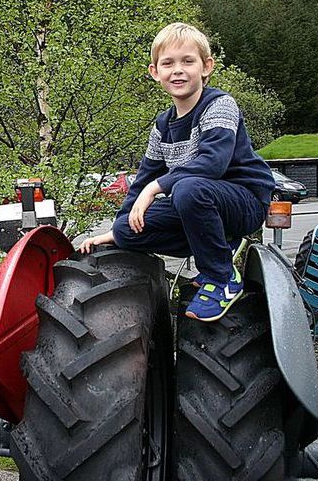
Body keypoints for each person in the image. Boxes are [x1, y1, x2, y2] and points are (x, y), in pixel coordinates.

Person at [79, 22, 274, 322]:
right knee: (127, 231)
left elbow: (212, 163)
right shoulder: (163, 125)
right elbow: (143, 177)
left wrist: (156, 188)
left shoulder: (220, 105)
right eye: (168, 63)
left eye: (188, 61)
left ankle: (223, 277)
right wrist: (115, 229)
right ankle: (220, 248)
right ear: (155, 72)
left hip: (243, 201)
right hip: (197, 203)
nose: (178, 70)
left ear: (206, 67)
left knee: (188, 188)